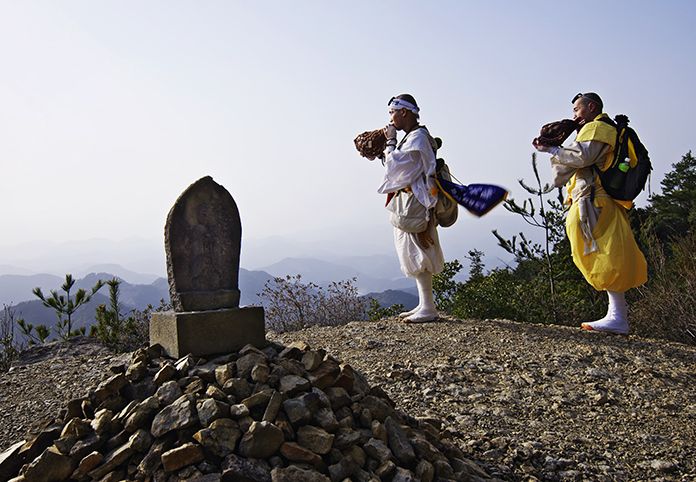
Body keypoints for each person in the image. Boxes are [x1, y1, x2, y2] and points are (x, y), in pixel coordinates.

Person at [533, 93, 647, 335]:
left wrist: (553, 149)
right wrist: (559, 153)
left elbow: (582, 157)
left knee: (603, 250)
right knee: (603, 249)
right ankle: (616, 314)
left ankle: (617, 316)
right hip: (596, 198)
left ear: (591, 107)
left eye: (577, 109)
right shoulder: (601, 128)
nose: (574, 114)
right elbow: (566, 170)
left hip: (595, 200)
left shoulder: (598, 127)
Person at [377, 94, 445, 323]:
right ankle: (425, 304)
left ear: (403, 112)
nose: (391, 118)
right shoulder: (415, 137)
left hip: (416, 203)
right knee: (411, 251)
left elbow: (397, 169)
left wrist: (389, 143)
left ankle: (428, 308)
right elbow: (399, 168)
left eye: (392, 112)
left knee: (419, 251)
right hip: (410, 201)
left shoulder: (418, 138)